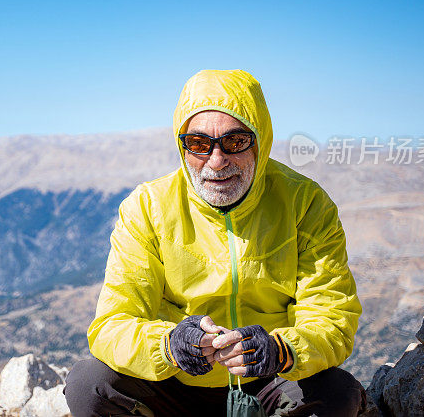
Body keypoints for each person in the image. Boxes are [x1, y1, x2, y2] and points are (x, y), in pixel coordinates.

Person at [64, 70, 365, 416]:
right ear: (183, 146)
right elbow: (112, 324)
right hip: (173, 382)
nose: (217, 161)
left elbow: (332, 317)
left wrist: (280, 350)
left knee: (336, 393)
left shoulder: (305, 204)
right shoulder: (148, 207)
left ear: (261, 141)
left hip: (267, 381)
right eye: (199, 144)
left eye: (235, 142)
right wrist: (169, 346)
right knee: (90, 385)